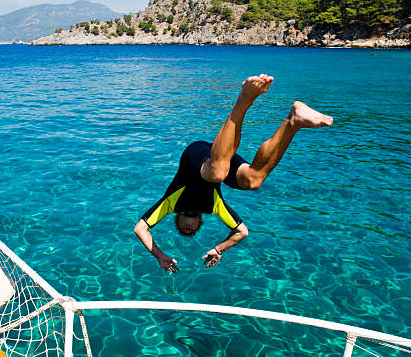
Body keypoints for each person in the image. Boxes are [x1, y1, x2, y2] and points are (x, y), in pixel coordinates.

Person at [134, 74, 333, 273]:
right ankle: (294, 120)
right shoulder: (214, 207)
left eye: (184, 228)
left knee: (218, 172)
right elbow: (241, 232)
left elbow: (140, 228)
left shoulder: (170, 205)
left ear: (178, 219)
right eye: (192, 230)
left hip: (194, 156)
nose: (188, 228)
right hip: (219, 156)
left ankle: (245, 98)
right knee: (253, 180)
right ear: (200, 222)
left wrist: (160, 256)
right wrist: (219, 249)